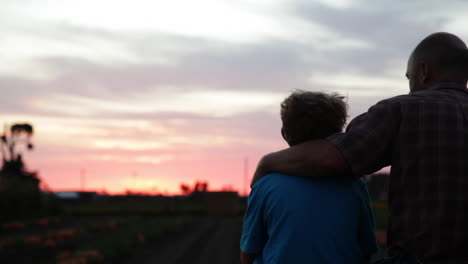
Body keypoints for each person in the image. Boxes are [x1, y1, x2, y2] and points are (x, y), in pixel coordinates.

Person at [251, 32, 468, 263]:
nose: (410, 86)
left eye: (409, 77)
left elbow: (332, 157)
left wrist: (268, 162)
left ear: (424, 71)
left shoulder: (403, 110)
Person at [240, 91, 378, 264]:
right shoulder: (355, 184)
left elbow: (248, 253)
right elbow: (366, 249)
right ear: (337, 134)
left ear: (284, 133)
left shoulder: (265, 185)